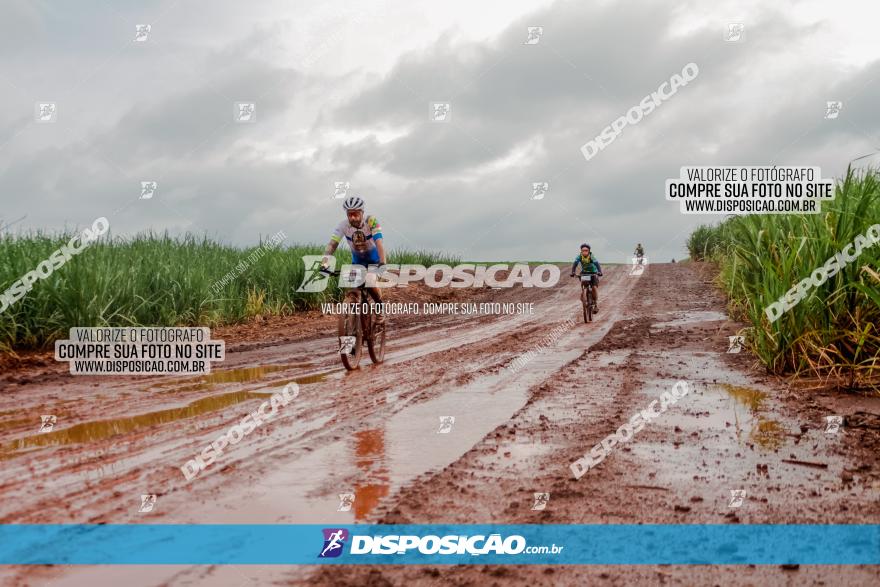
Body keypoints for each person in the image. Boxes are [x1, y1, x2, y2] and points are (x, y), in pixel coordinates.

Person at [322, 196, 387, 325]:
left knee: (370, 281)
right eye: (349, 214)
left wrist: (383, 262)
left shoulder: (371, 221)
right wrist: (324, 263)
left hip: (375, 259)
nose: (352, 218)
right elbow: (332, 245)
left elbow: (379, 243)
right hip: (358, 261)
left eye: (355, 214)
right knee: (354, 286)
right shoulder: (343, 225)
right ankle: (356, 322)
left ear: (362, 213)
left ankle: (380, 308)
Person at [570, 243, 603, 312]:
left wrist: (599, 272)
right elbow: (575, 264)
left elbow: (597, 264)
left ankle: (596, 304)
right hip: (584, 273)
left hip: (593, 273)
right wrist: (573, 272)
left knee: (594, 287)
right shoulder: (579, 256)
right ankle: (584, 296)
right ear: (581, 251)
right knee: (583, 284)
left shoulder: (591, 256)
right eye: (583, 250)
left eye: (586, 250)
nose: (584, 252)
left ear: (589, 251)